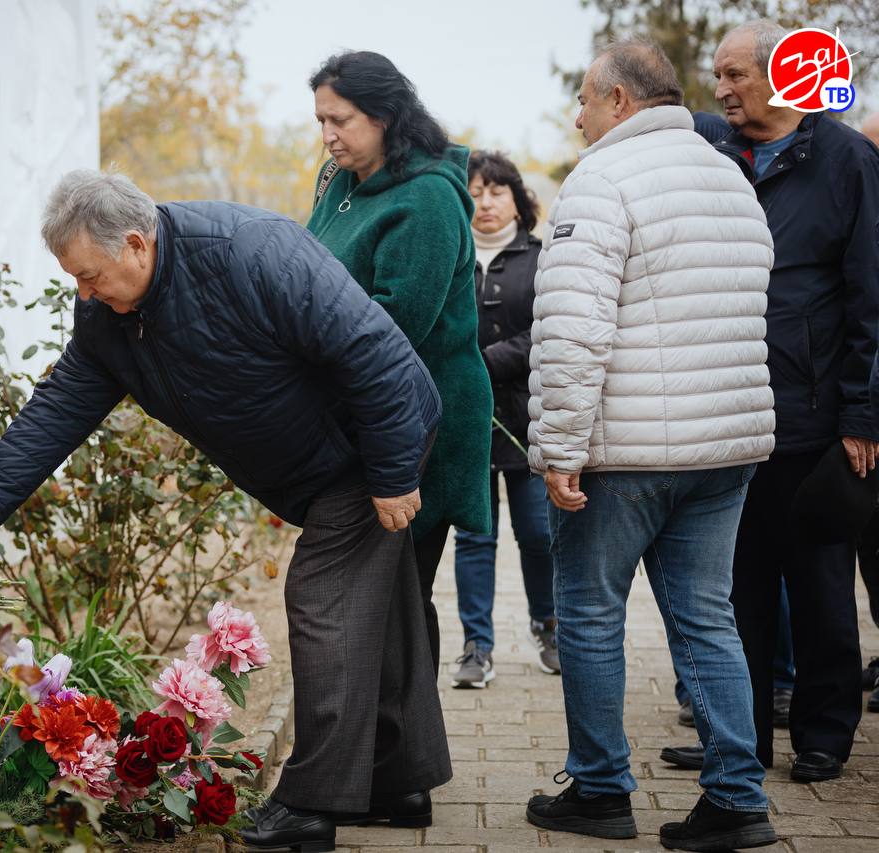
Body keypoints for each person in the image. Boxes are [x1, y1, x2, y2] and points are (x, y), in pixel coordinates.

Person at [0, 170, 453, 851]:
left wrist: (394, 468)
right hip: (324, 462)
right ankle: (400, 782)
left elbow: (369, 350)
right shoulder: (109, 317)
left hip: (370, 441)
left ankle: (311, 806)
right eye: (74, 279)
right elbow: (58, 409)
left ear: (136, 244)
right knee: (384, 610)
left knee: (324, 601)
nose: (83, 291)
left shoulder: (249, 251)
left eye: (90, 275)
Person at [522, 40, 777, 851]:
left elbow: (571, 330)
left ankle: (600, 789)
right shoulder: (729, 174)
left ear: (622, 101)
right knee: (708, 617)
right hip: (725, 447)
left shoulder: (601, 178)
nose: (578, 116)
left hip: (627, 453)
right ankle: (738, 799)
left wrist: (559, 445)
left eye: (587, 102)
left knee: (590, 615)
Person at [663, 19, 879, 784]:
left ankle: (823, 732)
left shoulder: (848, 160)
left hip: (811, 421)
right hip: (724, 414)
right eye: (717, 78)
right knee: (731, 592)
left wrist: (862, 415)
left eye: (733, 76)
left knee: (819, 587)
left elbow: (871, 297)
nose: (719, 91)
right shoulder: (712, 154)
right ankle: (739, 737)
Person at [304, 50, 493, 686]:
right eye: (321, 121)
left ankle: (404, 764)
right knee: (376, 604)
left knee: (397, 603)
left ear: (385, 116)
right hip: (361, 414)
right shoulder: (340, 184)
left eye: (341, 121)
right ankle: (389, 758)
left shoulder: (429, 199)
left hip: (421, 423)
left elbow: (391, 332)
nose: (328, 136)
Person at [446, 149, 557, 686]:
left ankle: (548, 625)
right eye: (475, 192)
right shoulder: (450, 256)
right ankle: (476, 647)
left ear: (516, 200)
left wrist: (481, 362)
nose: (484, 202)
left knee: (538, 533)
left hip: (530, 419)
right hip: (469, 424)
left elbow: (549, 332)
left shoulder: (542, 258)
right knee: (474, 536)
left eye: (496, 191)